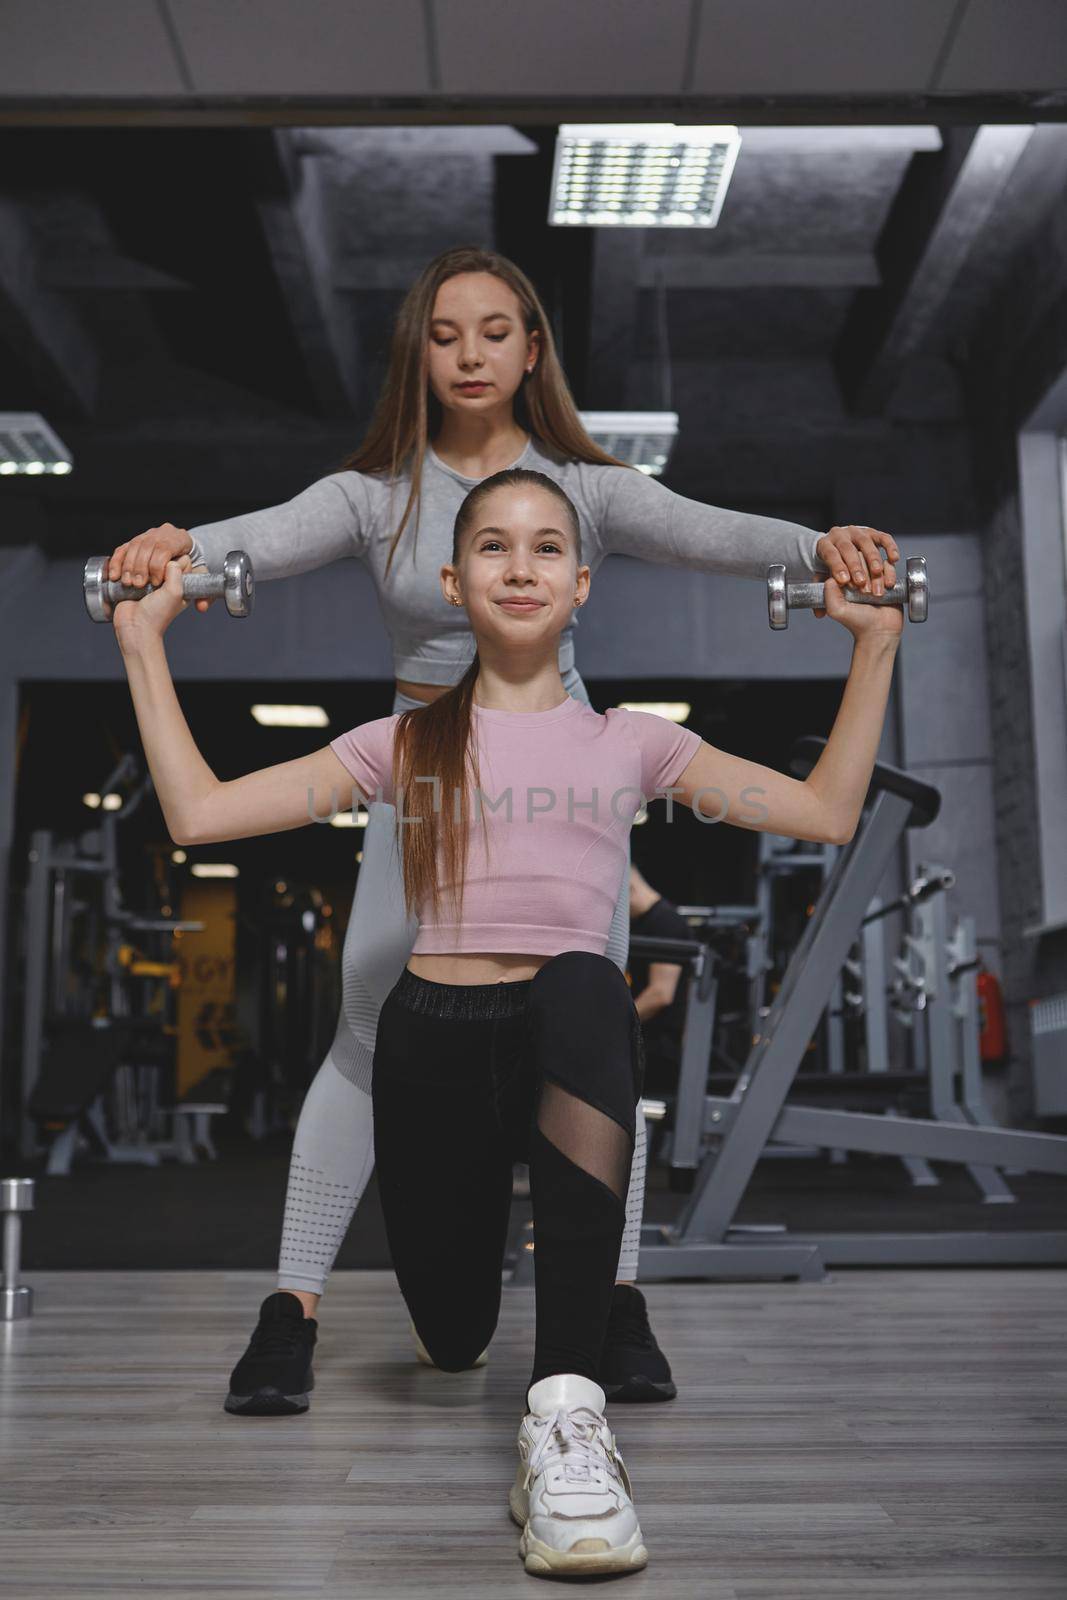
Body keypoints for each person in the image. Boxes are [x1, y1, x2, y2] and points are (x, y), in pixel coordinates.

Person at [104, 245, 901, 1413]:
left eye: (493, 330)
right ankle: (291, 1304)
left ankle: (611, 1297)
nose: (469, 353)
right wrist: (164, 555)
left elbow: (712, 531)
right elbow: (250, 543)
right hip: (424, 765)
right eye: (443, 334)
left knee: (592, 1043)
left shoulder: (585, 486)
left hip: (556, 756)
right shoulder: (371, 497)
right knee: (365, 1027)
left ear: (533, 349)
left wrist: (819, 553)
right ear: (416, 358)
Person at [627, 863, 693, 1104]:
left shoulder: (665, 922)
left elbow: (660, 995)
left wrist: (615, 1026)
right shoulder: (646, 922)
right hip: (647, 1044)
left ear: (628, 888)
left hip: (660, 1049)